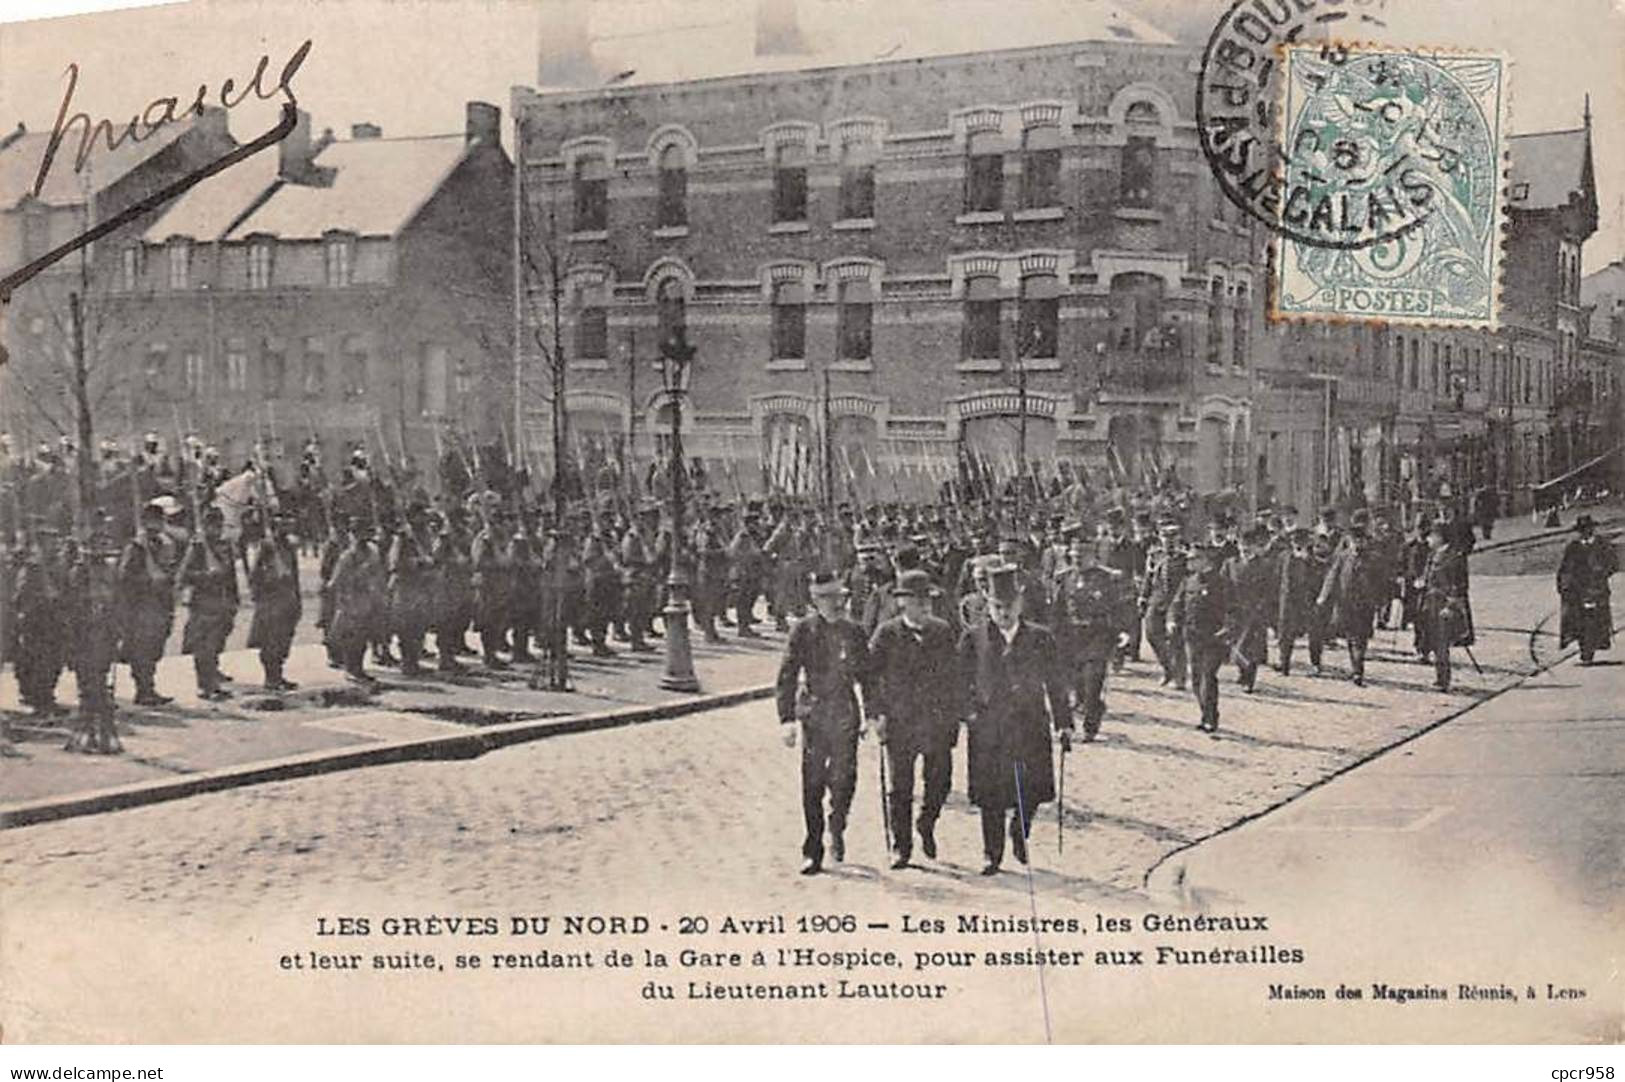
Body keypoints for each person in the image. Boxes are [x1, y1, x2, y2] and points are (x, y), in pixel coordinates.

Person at [958, 562, 1072, 875]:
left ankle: (1020, 832)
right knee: (990, 793)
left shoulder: (1041, 638)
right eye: (996, 607)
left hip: (1030, 724)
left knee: (1031, 787)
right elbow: (959, 680)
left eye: (1008, 607)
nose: (1003, 613)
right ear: (988, 606)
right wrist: (967, 712)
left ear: (1020, 604)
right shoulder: (973, 638)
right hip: (988, 727)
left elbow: (1056, 683)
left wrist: (1063, 723)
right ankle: (991, 854)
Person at [775, 571, 873, 875]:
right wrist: (787, 719)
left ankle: (837, 824)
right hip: (815, 714)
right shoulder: (803, 631)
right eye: (829, 598)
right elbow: (787, 674)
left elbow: (867, 676)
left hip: (844, 712)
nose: (837, 603)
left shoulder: (854, 632)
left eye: (840, 597)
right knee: (813, 783)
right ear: (816, 600)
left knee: (844, 779)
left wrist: (871, 713)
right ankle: (813, 849)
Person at [866, 569, 959, 869]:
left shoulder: (943, 631)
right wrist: (875, 713)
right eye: (919, 601)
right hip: (900, 722)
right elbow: (870, 677)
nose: (926, 607)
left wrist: (954, 716)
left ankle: (927, 822)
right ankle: (901, 846)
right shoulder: (887, 633)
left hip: (936, 722)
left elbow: (955, 676)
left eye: (928, 601)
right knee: (900, 787)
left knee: (940, 782)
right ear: (903, 602)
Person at [1055, 530, 1131, 741]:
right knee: (1077, 686)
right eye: (1074, 556)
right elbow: (1059, 610)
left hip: (1098, 637)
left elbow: (1119, 607)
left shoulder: (1105, 578)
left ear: (1092, 557)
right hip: (1072, 639)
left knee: (1093, 683)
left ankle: (1090, 728)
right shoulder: (1065, 578)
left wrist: (1122, 632)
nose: (1077, 560)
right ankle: (1093, 707)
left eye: (1081, 556)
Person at [116, 502, 178, 706]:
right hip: (142, 605)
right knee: (142, 649)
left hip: (160, 604)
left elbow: (170, 571)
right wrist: (146, 580)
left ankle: (148, 687)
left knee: (155, 648)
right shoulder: (135, 547)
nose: (159, 524)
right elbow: (124, 577)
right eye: (155, 520)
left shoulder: (161, 545)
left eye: (160, 520)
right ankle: (144, 690)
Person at [176, 506, 239, 700]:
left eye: (219, 525)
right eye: (212, 525)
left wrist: (234, 598)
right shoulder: (197, 547)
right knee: (204, 647)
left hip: (223, 600)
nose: (216, 529)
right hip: (204, 601)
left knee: (217, 642)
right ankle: (205, 686)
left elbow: (231, 575)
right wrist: (205, 576)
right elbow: (184, 575)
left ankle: (213, 680)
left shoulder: (224, 546)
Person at [1172, 541, 1232, 736]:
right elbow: (1177, 603)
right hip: (1192, 635)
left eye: (1193, 558)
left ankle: (1211, 718)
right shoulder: (1188, 581)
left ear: (1205, 560)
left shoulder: (1221, 582)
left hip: (1214, 637)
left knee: (1208, 675)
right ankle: (1204, 714)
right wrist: (1172, 620)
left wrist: (1227, 628)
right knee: (1197, 677)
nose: (1188, 562)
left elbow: (1233, 609)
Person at [1316, 522, 1383, 686]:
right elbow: (1332, 576)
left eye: (1361, 541)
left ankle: (1357, 670)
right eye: (1354, 540)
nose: (1357, 544)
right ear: (1349, 541)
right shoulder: (1343, 557)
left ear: (1365, 542)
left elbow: (1381, 582)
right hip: (1345, 603)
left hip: (1365, 605)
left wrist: (1381, 600)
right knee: (1350, 636)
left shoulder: (1374, 559)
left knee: (1360, 638)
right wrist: (1323, 596)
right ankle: (1356, 667)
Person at [246, 512, 303, 691]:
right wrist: (262, 591)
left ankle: (278, 675)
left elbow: (295, 576)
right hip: (271, 600)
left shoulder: (289, 547)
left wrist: (297, 599)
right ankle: (271, 678)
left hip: (288, 599)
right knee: (270, 641)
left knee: (284, 640)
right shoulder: (267, 547)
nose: (287, 528)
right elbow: (254, 575)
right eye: (282, 525)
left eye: (289, 525)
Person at [1558, 514, 1617, 664]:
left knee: (1595, 618)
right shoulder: (1573, 547)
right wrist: (1564, 584)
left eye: (1587, 529)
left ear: (1592, 529)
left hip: (1596, 587)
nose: (1585, 532)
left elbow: (1613, 563)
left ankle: (1592, 647)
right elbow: (1565, 567)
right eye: (1582, 530)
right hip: (1578, 589)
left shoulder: (1602, 544)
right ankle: (1584, 648)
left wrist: (1602, 572)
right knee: (1579, 619)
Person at [1419, 521, 1469, 691]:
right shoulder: (1433, 555)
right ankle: (1439, 676)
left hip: (1444, 606)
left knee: (1441, 644)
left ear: (1440, 537)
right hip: (1430, 604)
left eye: (1431, 536)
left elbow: (1458, 585)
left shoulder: (1454, 557)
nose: (1428, 540)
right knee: (1433, 641)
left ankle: (1443, 680)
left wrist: (1450, 606)